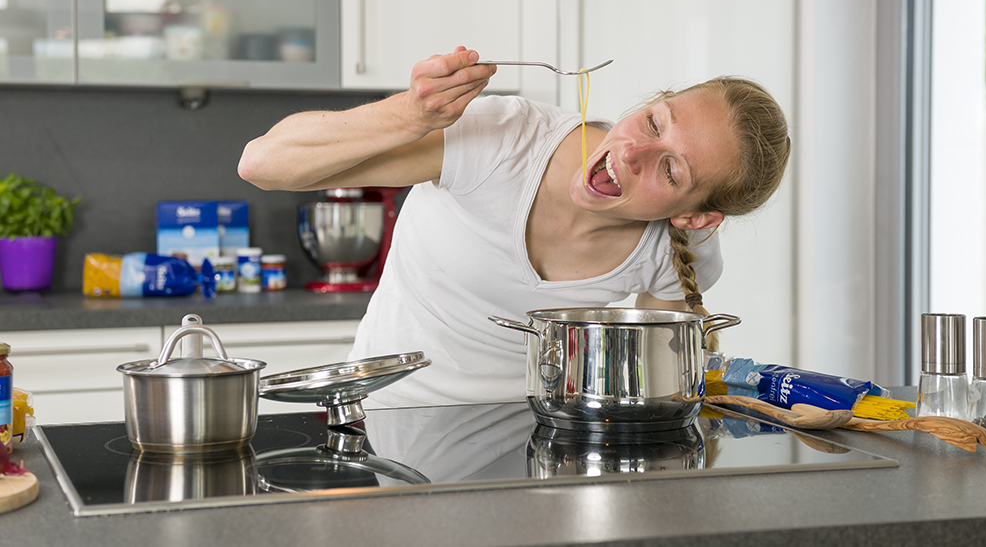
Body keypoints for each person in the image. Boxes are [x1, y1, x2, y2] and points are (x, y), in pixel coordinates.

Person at [238, 46, 791, 407]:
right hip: (387, 424)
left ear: (695, 215)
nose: (633, 153)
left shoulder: (678, 249)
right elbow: (263, 164)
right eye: (653, 121)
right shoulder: (506, 138)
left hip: (535, 449)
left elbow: (666, 390)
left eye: (671, 169)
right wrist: (411, 113)